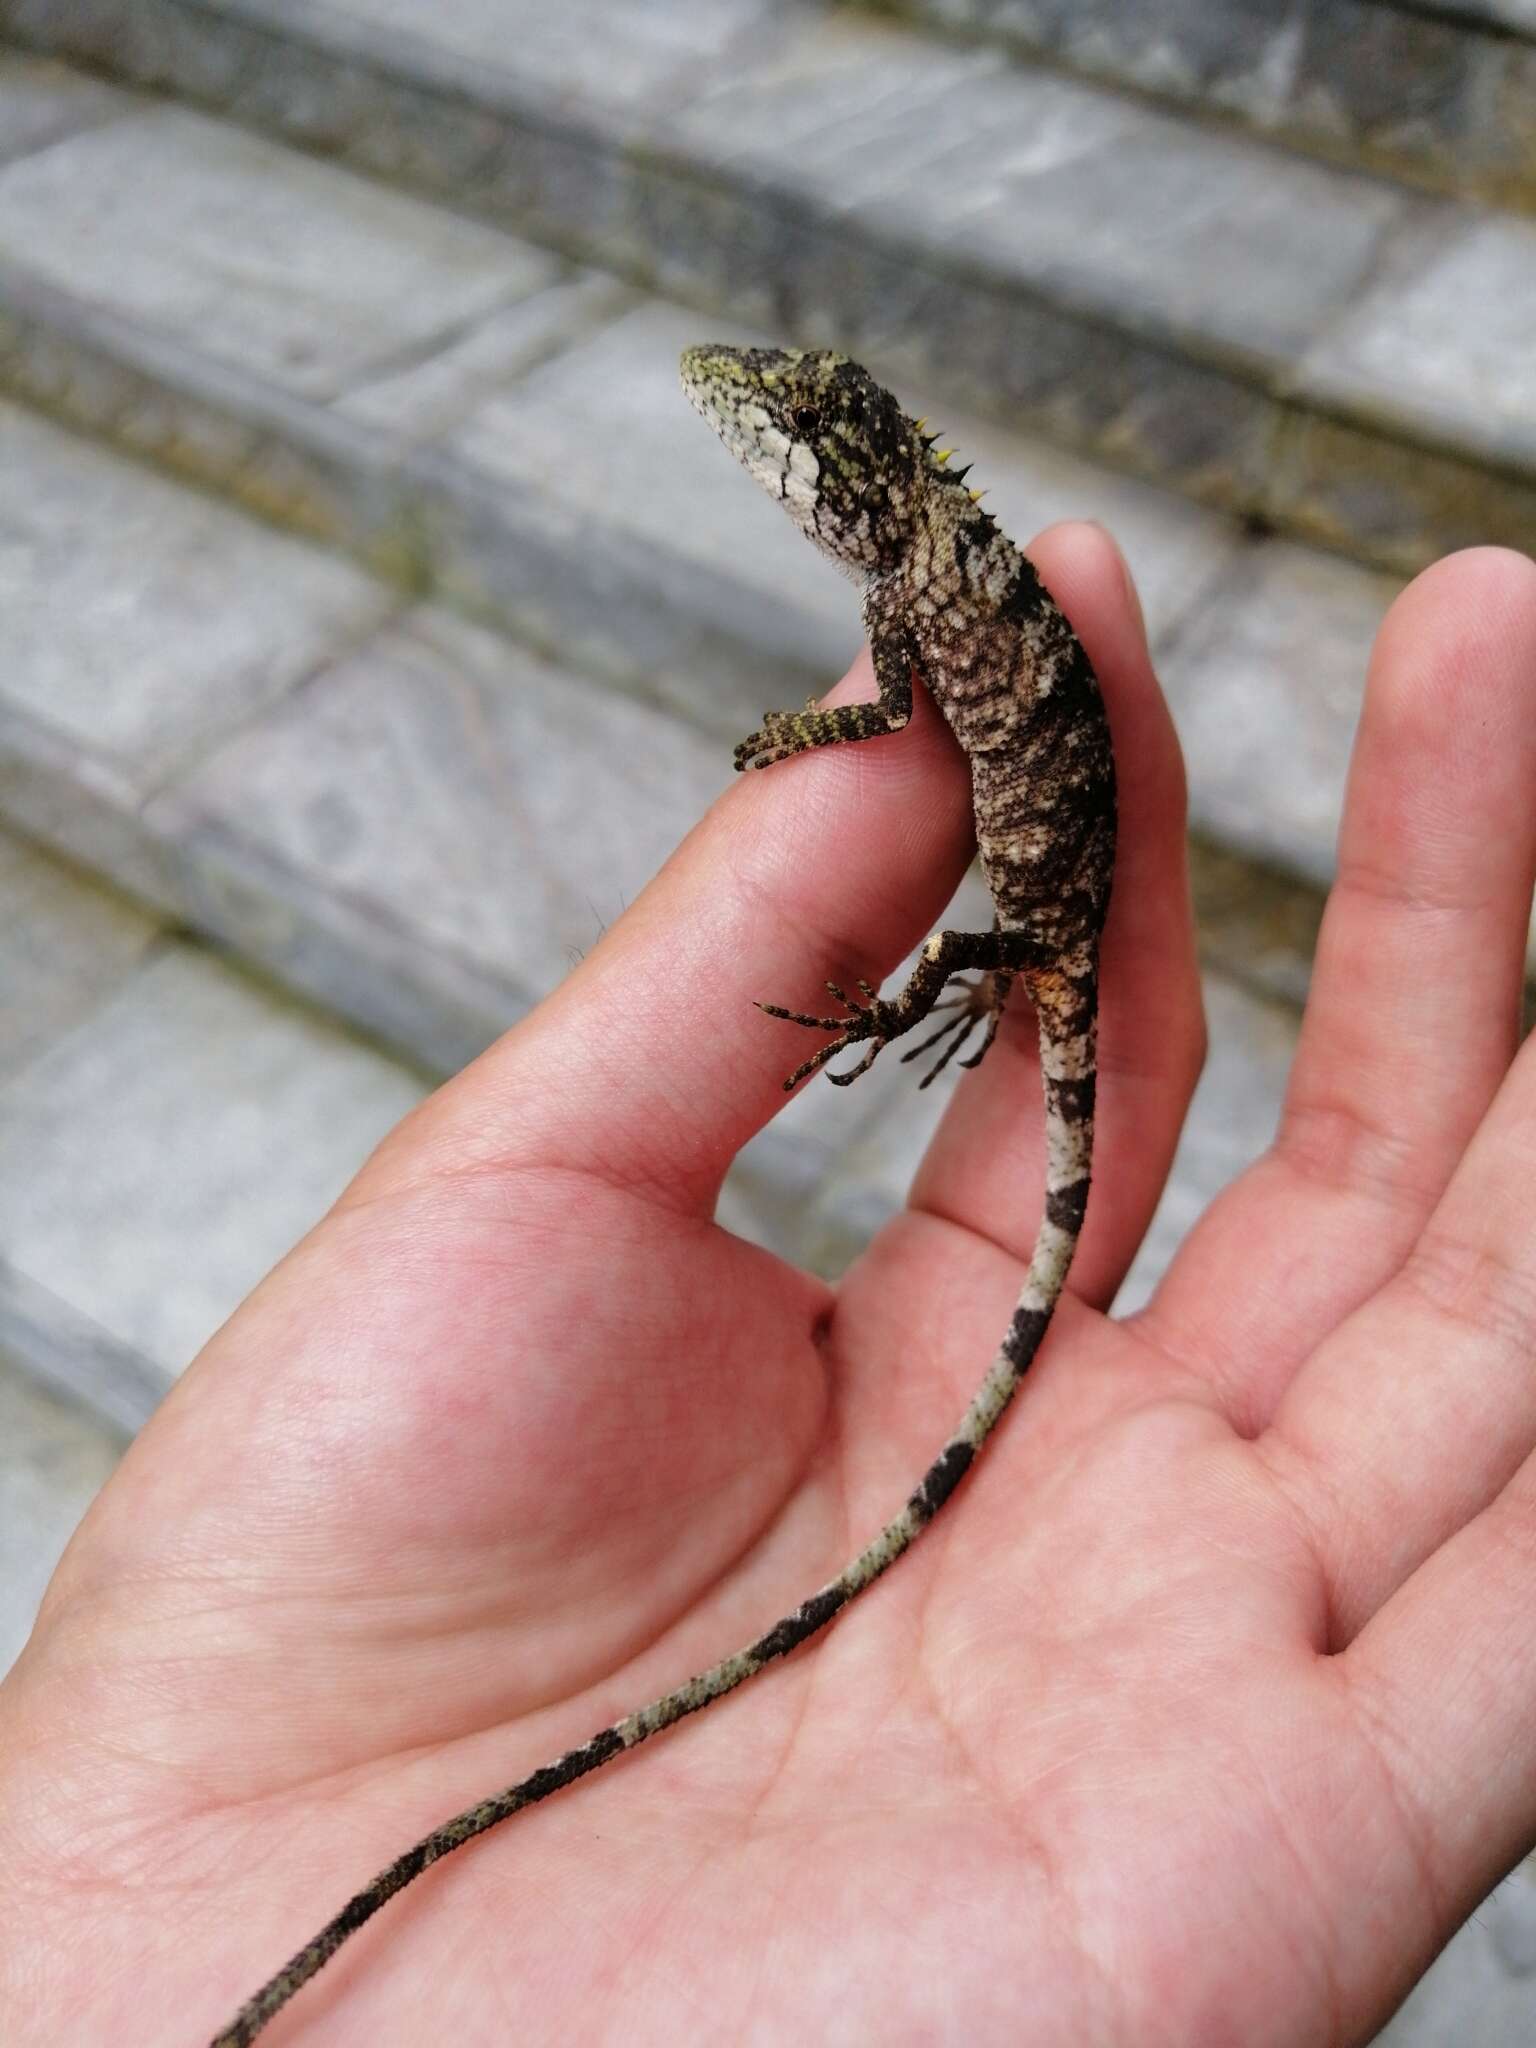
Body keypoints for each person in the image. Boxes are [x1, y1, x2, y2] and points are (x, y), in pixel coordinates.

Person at [4, 523, 1535, 2046]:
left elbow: (880, 719)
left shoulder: (921, 589)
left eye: (776, 435)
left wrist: (841, 805)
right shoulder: (934, 582)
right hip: (1038, 925)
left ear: (829, 478)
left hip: (1042, 932)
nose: (756, 451)